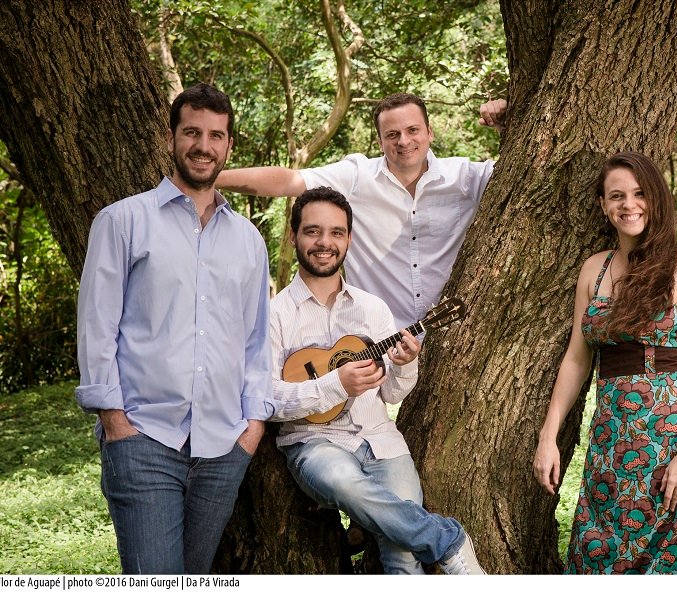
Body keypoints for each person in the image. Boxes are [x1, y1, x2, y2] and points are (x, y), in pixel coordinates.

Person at [75, 83, 274, 574]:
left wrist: (253, 428)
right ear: (171, 138)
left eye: (215, 136)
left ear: (229, 146)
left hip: (224, 446)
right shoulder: (123, 221)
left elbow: (255, 341)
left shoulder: (249, 241)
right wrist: (116, 422)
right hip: (144, 439)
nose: (203, 146)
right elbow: (97, 326)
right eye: (192, 132)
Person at [267, 186, 485, 575]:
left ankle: (431, 543)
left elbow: (394, 391)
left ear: (348, 239)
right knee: (346, 483)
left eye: (336, 232)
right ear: (294, 235)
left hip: (380, 439)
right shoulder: (275, 315)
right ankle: (447, 541)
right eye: (313, 231)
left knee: (402, 552)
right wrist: (336, 385)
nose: (324, 243)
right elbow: (268, 399)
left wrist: (404, 363)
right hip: (313, 444)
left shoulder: (373, 309)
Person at [533, 151, 677, 574]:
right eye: (616, 196)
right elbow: (577, 360)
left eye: (638, 194)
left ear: (655, 199)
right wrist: (548, 435)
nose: (628, 204)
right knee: (593, 552)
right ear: (603, 205)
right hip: (611, 440)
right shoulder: (593, 270)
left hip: (671, 438)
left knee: (661, 564)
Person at [217, 93, 507, 329]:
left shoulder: (466, 178)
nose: (403, 141)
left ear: (429, 133)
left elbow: (525, 174)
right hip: (379, 343)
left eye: (412, 130)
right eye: (392, 134)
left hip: (454, 333)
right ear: (380, 142)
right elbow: (287, 181)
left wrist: (506, 121)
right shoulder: (357, 177)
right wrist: (208, 180)